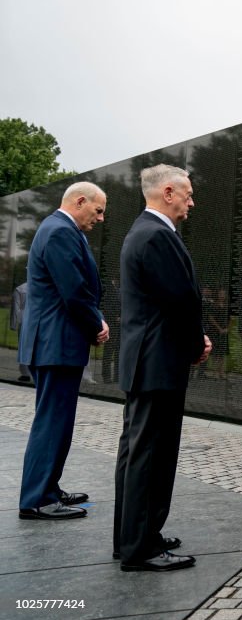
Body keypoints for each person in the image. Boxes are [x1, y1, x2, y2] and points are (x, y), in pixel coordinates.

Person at [113, 164, 211, 572]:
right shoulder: (156, 235)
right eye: (187, 194)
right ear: (167, 192)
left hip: (146, 361)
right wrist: (195, 344)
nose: (191, 202)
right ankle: (141, 550)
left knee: (137, 454)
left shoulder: (143, 232)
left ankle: (134, 537)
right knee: (150, 456)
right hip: (158, 362)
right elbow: (180, 300)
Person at [16, 182, 109, 520]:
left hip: (55, 343)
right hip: (55, 343)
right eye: (97, 210)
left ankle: (48, 488)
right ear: (80, 201)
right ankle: (37, 498)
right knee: (52, 422)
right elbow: (73, 291)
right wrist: (96, 324)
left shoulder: (59, 229)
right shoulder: (59, 231)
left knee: (57, 420)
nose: (100, 218)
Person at [10, 282, 32, 382]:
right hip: (38, 319)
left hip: (24, 320)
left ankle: (25, 373)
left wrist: (14, 325)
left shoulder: (20, 289)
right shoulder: (41, 287)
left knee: (23, 347)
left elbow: (16, 308)